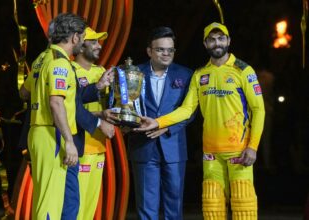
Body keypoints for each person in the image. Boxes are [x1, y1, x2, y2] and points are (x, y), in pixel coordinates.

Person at [135, 22, 265, 219]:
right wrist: (158, 122)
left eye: (221, 38)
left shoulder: (243, 71)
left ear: (229, 41)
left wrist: (253, 146)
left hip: (239, 151)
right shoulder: (199, 75)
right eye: (211, 39)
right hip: (211, 153)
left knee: (243, 206)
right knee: (212, 209)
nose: (217, 43)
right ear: (205, 44)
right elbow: (187, 110)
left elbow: (259, 110)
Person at [127, 26, 193, 219]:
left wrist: (165, 127)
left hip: (174, 147)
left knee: (175, 205)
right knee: (147, 207)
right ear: (149, 51)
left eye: (170, 50)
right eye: (160, 49)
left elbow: (190, 112)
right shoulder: (133, 73)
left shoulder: (186, 74)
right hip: (143, 145)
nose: (166, 54)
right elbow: (124, 105)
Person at [24, 13, 85, 220]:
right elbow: (56, 102)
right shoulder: (60, 63)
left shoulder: (41, 59)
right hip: (53, 134)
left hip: (38, 131)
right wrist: (69, 141)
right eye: (83, 38)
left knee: (50, 197)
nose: (83, 43)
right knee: (49, 202)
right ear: (75, 37)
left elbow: (24, 92)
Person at [71, 26, 115, 220]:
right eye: (94, 42)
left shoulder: (101, 71)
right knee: (75, 206)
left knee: (89, 207)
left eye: (99, 42)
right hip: (78, 147)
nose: (99, 46)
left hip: (99, 144)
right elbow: (70, 108)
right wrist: (100, 115)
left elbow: (110, 104)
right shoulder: (70, 70)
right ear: (80, 46)